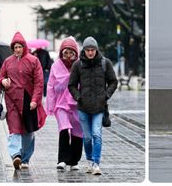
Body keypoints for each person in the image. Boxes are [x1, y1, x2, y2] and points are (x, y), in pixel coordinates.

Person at [68, 37, 118, 176]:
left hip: (99, 107)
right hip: (83, 107)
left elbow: (113, 82)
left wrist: (106, 95)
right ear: (84, 50)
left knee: (97, 134)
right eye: (88, 50)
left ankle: (96, 163)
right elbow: (71, 85)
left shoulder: (105, 63)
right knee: (87, 137)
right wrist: (78, 97)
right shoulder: (77, 65)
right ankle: (89, 161)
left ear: (96, 50)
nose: (90, 52)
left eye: (93, 50)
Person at [0, 31, 46, 170]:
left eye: (20, 47)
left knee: (27, 131)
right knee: (14, 129)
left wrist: (35, 100)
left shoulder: (33, 61)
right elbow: (1, 77)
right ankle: (16, 155)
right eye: (15, 47)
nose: (18, 50)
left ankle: (25, 158)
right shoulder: (7, 61)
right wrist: (3, 81)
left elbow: (39, 82)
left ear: (24, 47)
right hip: (12, 100)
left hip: (28, 100)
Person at [46, 37, 83, 171]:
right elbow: (50, 86)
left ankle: (74, 160)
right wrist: (50, 105)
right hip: (61, 104)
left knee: (77, 132)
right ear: (61, 52)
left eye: (71, 53)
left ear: (75, 53)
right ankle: (62, 159)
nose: (68, 56)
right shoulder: (56, 66)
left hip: (76, 104)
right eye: (65, 53)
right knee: (63, 128)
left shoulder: (80, 65)